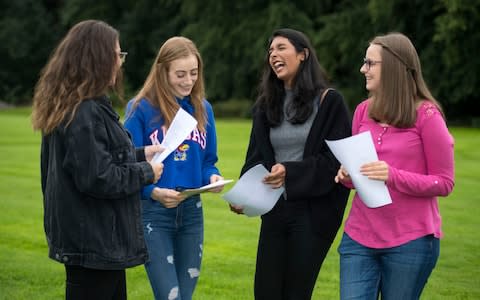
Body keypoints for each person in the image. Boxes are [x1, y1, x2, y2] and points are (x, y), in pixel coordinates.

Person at [30, 20, 164, 300]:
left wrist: (140, 154)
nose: (120, 62)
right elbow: (97, 177)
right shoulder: (83, 110)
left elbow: (95, 157)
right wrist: (146, 172)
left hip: (96, 242)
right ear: (99, 58)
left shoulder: (81, 104)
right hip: (93, 242)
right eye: (117, 54)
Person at [229, 28, 351, 299]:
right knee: (266, 292)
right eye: (270, 50)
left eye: (281, 47)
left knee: (296, 293)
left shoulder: (330, 102)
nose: (273, 54)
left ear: (303, 54)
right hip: (274, 211)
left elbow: (335, 163)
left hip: (313, 214)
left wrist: (290, 173)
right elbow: (256, 158)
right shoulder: (264, 105)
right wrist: (244, 196)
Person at [335, 32, 455, 299]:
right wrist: (347, 174)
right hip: (359, 237)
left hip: (411, 242)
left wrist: (393, 175)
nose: (362, 69)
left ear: (393, 66)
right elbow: (358, 175)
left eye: (370, 63)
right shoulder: (362, 111)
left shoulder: (427, 115)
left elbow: (444, 182)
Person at [124, 36, 224, 300]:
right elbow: (127, 165)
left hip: (192, 213)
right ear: (162, 72)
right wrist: (153, 192)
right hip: (154, 214)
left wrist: (212, 177)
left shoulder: (203, 109)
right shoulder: (140, 109)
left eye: (193, 73)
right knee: (170, 296)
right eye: (180, 74)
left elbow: (207, 161)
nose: (188, 81)